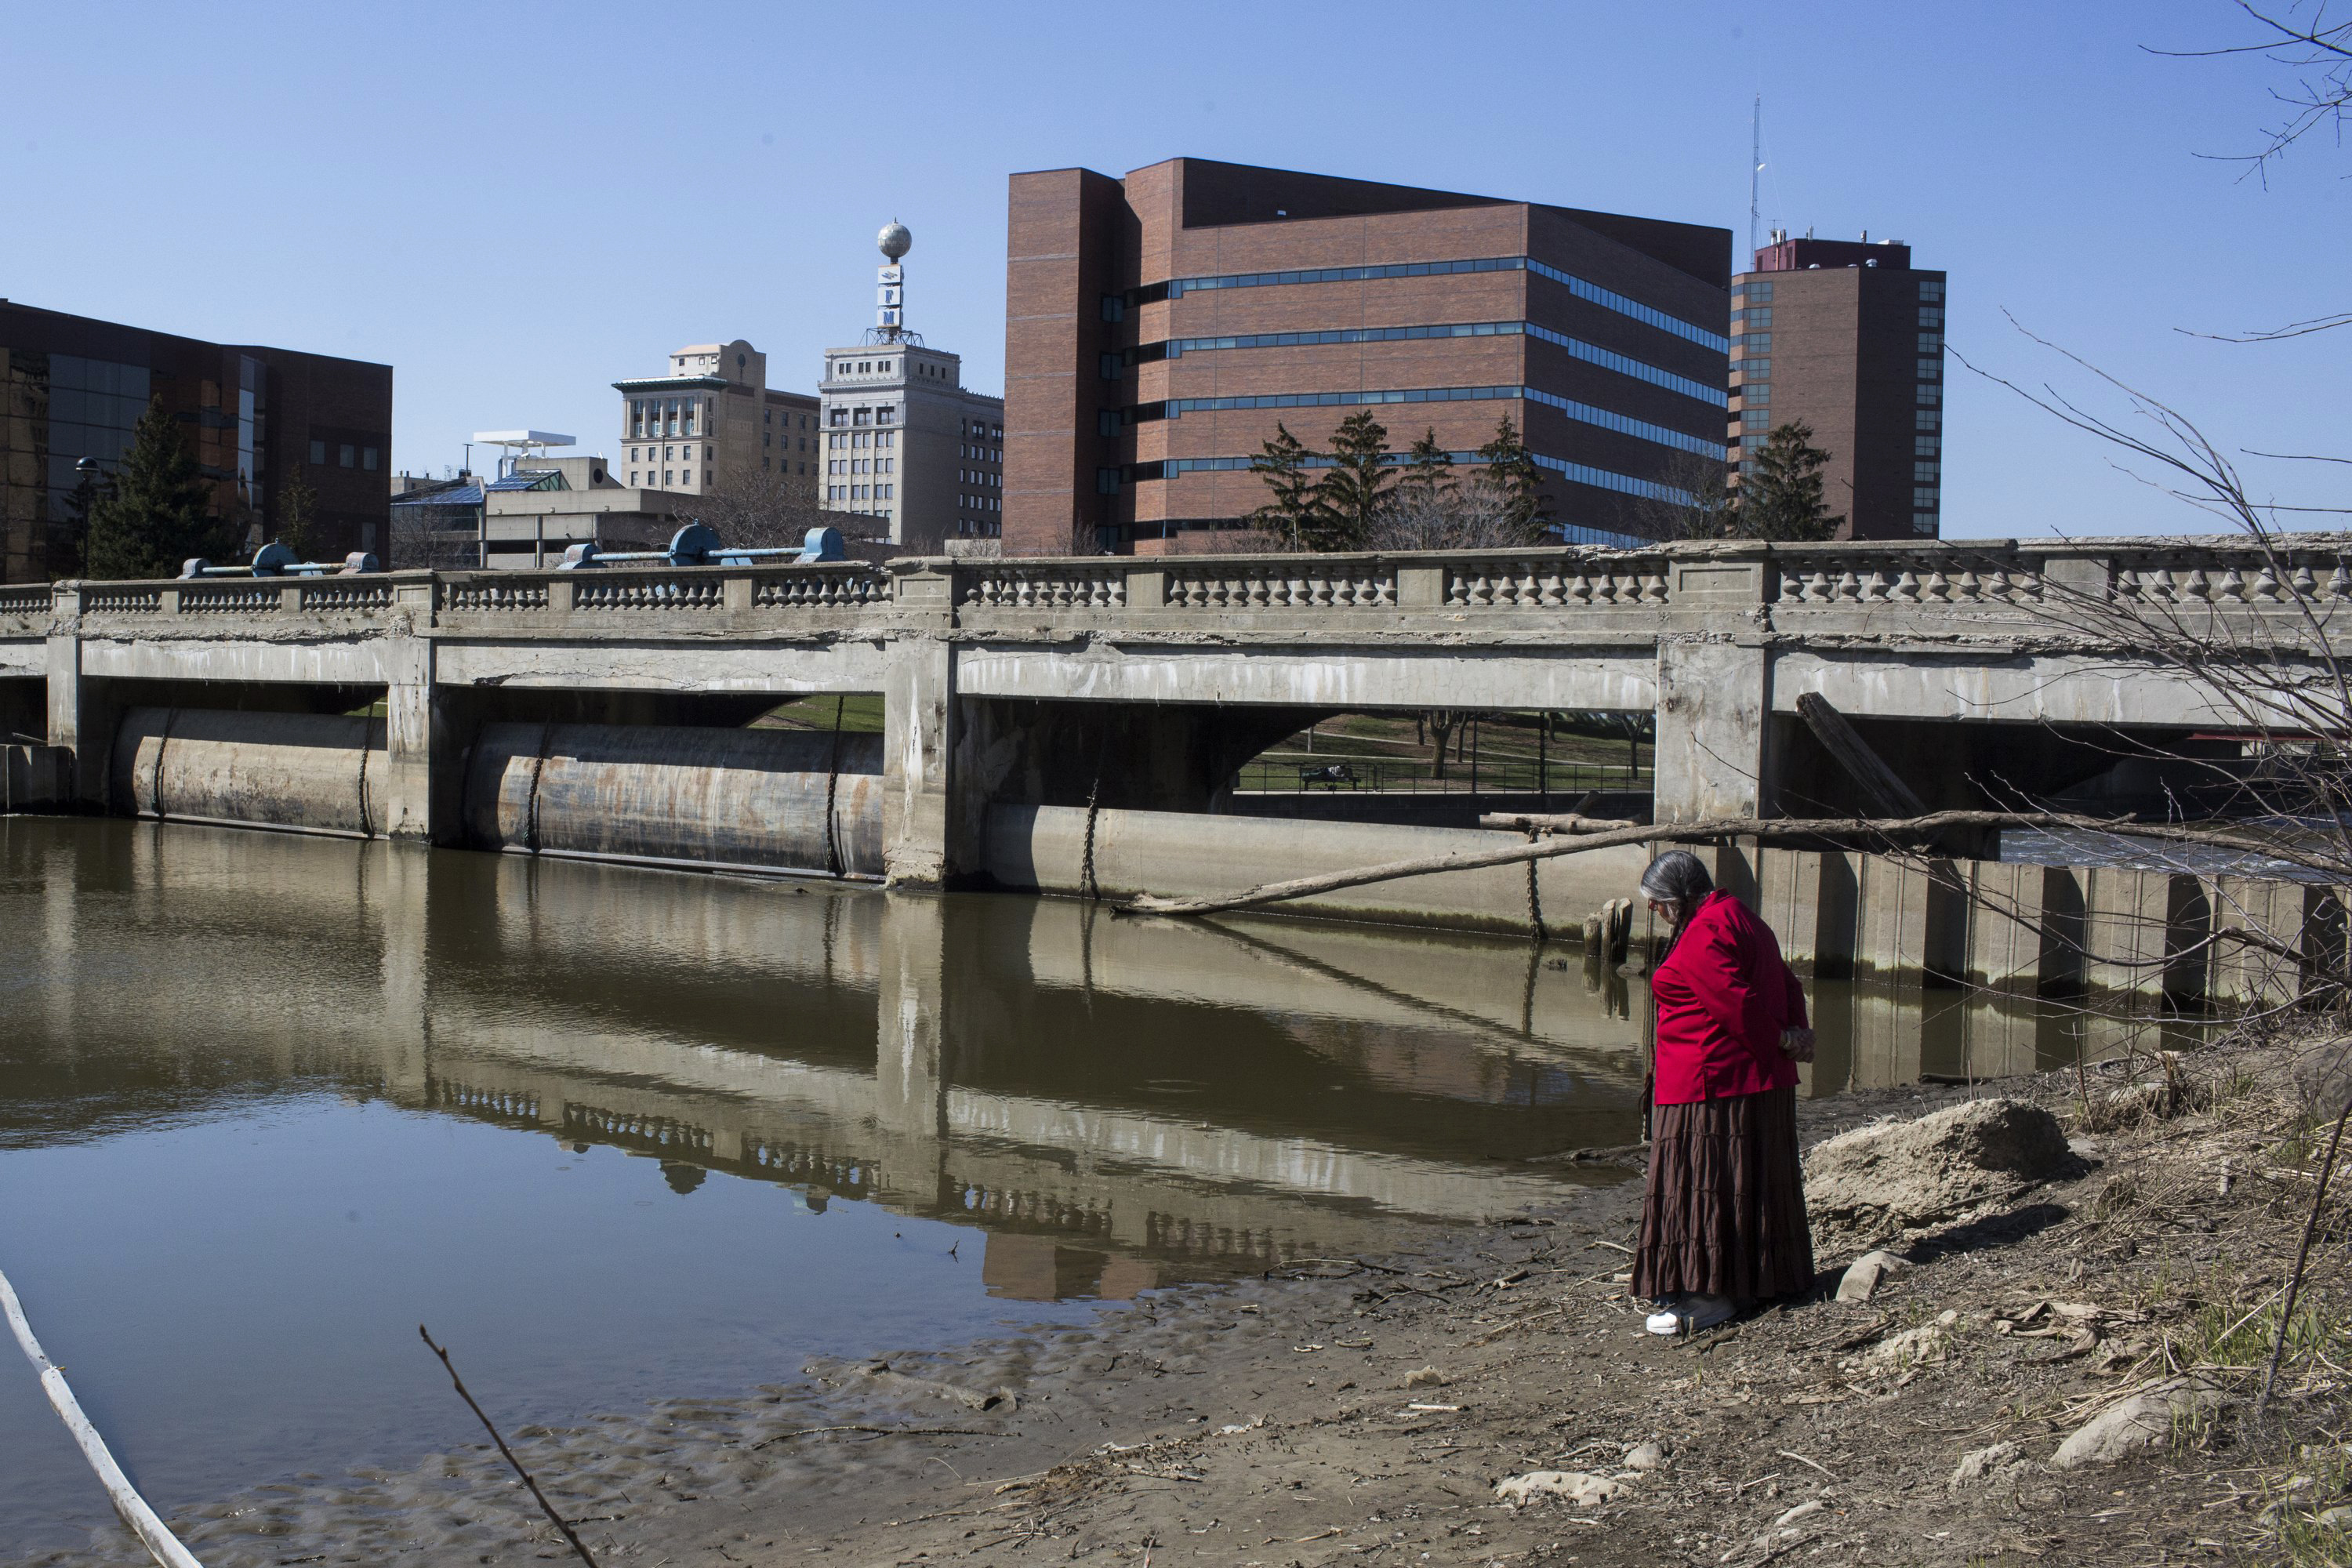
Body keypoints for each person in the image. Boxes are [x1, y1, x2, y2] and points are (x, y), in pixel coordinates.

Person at [1631, 850, 1817, 1334]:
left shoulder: (1705, 931)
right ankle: (1751, 1281)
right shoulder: (1743, 919)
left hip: (1710, 1085)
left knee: (1704, 1181)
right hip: (1746, 1080)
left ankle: (1710, 1295)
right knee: (1742, 1181)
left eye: (1658, 902)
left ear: (1680, 897)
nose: (1656, 911)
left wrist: (1782, 1038)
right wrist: (1797, 1033)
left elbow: (1735, 1002)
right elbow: (1787, 983)